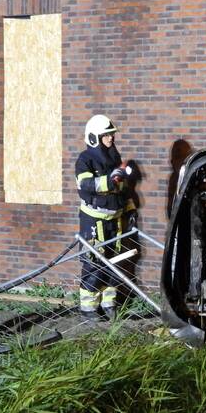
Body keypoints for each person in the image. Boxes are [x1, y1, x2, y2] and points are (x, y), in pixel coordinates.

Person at [75, 115, 129, 320]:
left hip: (115, 218)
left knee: (113, 260)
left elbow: (122, 187)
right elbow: (86, 185)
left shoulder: (114, 156)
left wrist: (129, 208)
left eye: (111, 134)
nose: (111, 138)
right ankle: (88, 308)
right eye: (106, 135)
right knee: (94, 262)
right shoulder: (85, 160)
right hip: (94, 220)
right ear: (94, 138)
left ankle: (108, 303)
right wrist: (110, 180)